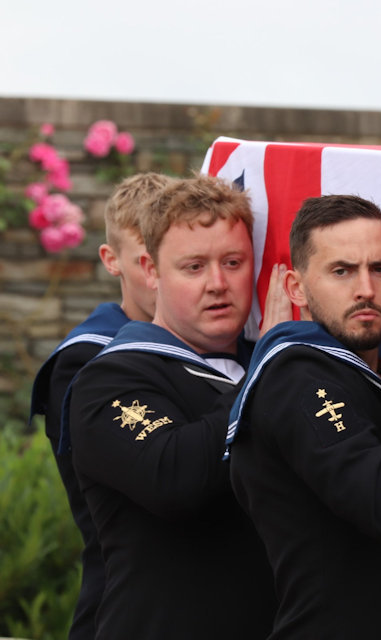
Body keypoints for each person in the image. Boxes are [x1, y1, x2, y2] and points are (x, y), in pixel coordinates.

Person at [227, 194, 381, 640]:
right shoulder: (296, 378)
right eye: (341, 271)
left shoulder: (365, 380)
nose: (365, 289)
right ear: (296, 288)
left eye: (379, 269)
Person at [67, 174, 278, 640]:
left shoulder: (267, 368)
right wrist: (271, 366)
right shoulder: (107, 378)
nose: (218, 284)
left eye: (233, 262)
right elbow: (175, 478)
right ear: (150, 270)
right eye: (193, 267)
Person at [29, 172, 175, 640]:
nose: (162, 278)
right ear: (112, 261)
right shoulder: (86, 360)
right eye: (146, 260)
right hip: (124, 608)